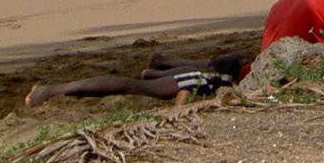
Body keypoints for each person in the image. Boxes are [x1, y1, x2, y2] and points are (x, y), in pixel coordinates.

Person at [26, 53, 245, 108]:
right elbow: (184, 91)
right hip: (214, 79)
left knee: (201, 71)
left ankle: (156, 71)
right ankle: (49, 91)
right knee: (136, 88)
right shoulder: (224, 82)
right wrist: (178, 113)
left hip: (216, 76)